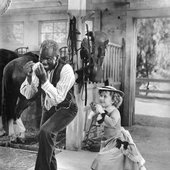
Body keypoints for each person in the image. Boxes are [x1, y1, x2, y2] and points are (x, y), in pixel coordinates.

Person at [20, 40, 78, 170]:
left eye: (48, 59)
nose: (44, 62)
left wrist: (44, 80)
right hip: (49, 108)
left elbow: (58, 98)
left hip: (66, 108)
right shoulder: (38, 67)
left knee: (45, 132)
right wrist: (29, 77)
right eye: (41, 58)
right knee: (45, 142)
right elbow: (28, 94)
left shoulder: (66, 70)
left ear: (57, 58)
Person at [89, 85, 146, 170]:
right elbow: (100, 122)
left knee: (101, 160)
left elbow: (112, 123)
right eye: (101, 96)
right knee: (110, 163)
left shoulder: (115, 111)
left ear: (113, 100)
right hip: (107, 141)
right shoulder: (105, 110)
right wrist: (95, 112)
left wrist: (101, 112)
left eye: (105, 96)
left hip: (116, 142)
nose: (102, 98)